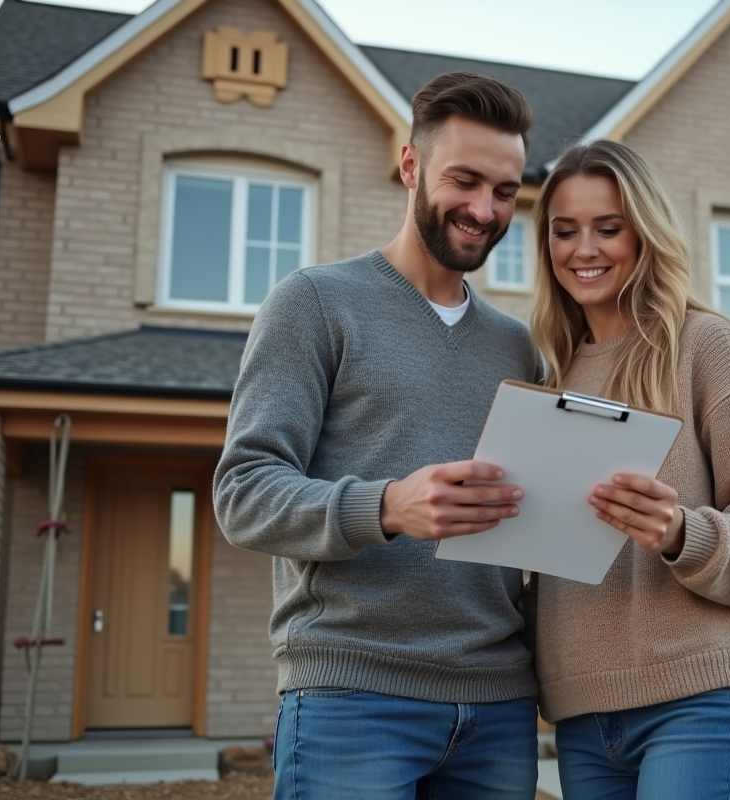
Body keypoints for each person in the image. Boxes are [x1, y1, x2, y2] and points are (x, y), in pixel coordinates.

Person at [214, 72, 542, 800]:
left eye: (506, 191)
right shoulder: (315, 303)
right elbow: (242, 493)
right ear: (410, 166)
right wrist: (388, 506)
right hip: (352, 697)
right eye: (465, 180)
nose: (484, 209)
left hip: (498, 707)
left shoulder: (518, 348)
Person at [528, 139, 730, 800]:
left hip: (697, 703)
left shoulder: (701, 346)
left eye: (609, 228)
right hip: (579, 714)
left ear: (646, 234)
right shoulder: (547, 373)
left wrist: (681, 533)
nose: (585, 250)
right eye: (564, 231)